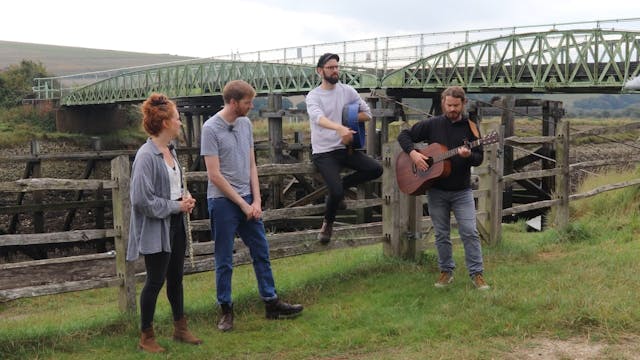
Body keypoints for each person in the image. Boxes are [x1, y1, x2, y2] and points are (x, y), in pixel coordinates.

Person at [201, 80, 303, 332]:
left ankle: (271, 302)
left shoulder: (246, 124)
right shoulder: (210, 128)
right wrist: (242, 204)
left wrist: (256, 200)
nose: (251, 106)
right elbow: (214, 175)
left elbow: (252, 165)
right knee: (224, 259)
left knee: (261, 251)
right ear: (234, 102)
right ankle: (226, 310)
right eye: (247, 102)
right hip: (222, 202)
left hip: (248, 199)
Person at [127, 93, 202, 353]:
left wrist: (186, 198)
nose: (181, 123)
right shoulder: (146, 156)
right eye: (178, 119)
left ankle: (180, 328)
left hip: (176, 224)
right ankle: (146, 336)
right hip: (156, 228)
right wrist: (175, 206)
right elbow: (140, 200)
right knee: (155, 281)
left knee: (176, 279)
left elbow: (173, 188)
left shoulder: (171, 150)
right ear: (166, 123)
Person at [396, 86, 490, 291]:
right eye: (449, 105)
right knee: (441, 234)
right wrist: (414, 154)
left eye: (456, 106)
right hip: (436, 189)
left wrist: (469, 156)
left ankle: (477, 274)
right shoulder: (432, 124)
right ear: (443, 104)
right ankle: (446, 272)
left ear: (463, 104)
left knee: (469, 232)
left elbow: (479, 158)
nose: (452, 109)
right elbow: (404, 135)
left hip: (462, 190)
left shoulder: (471, 128)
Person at [305, 53, 383, 243]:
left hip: (346, 149)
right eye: (330, 67)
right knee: (337, 193)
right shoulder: (313, 96)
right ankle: (327, 225)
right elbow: (318, 118)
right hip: (323, 152)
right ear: (320, 70)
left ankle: (342, 184)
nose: (335, 70)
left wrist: (349, 120)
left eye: (337, 67)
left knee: (376, 169)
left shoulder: (347, 91)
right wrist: (339, 127)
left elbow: (368, 114)